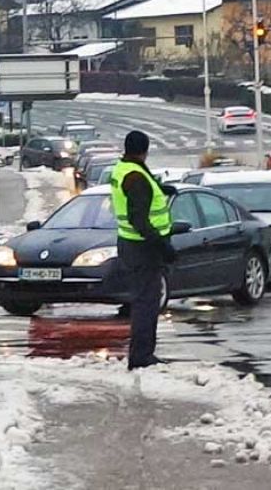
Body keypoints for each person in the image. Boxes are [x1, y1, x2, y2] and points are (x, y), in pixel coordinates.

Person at [109, 131, 176, 370]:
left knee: (143, 300)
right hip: (143, 247)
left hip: (129, 243)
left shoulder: (123, 169)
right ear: (144, 150)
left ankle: (142, 353)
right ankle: (142, 355)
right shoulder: (136, 177)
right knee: (146, 302)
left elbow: (136, 197)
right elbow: (140, 218)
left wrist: (161, 190)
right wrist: (162, 244)